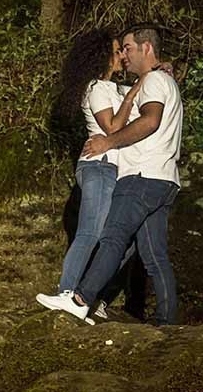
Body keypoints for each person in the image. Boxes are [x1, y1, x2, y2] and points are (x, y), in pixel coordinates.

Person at [37, 24, 183, 326]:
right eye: (119, 51)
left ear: (146, 48)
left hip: (142, 175)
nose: (123, 56)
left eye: (127, 48)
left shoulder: (151, 81)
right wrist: (154, 74)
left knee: (113, 237)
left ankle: (81, 299)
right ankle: (165, 323)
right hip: (159, 177)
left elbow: (148, 120)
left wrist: (109, 141)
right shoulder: (121, 86)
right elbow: (128, 109)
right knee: (149, 254)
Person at [39, 29, 144, 320]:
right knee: (90, 232)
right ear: (102, 57)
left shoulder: (116, 88)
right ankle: (67, 292)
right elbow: (112, 128)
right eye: (116, 51)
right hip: (99, 166)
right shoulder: (96, 87)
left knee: (126, 240)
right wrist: (131, 95)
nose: (122, 55)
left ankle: (92, 295)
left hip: (119, 171)